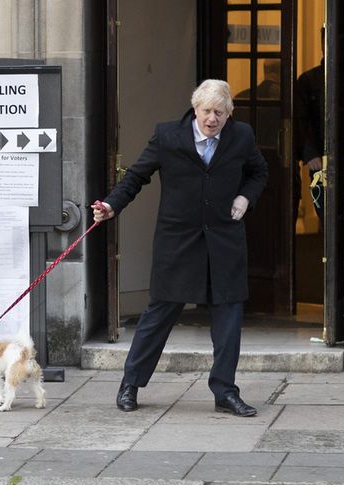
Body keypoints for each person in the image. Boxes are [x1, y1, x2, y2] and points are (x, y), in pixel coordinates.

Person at [93, 79, 268, 417]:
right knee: (159, 314)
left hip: (224, 240)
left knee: (228, 317)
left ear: (230, 113)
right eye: (206, 111)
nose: (212, 119)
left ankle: (225, 392)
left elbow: (259, 172)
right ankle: (130, 383)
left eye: (219, 112)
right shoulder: (168, 136)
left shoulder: (241, 136)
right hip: (178, 240)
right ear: (195, 108)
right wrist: (112, 206)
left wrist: (246, 197)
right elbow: (136, 176)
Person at [295, 32, 325, 221]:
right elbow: (299, 119)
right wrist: (309, 152)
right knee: (322, 207)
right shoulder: (308, 80)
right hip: (318, 159)